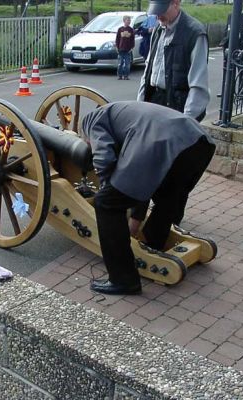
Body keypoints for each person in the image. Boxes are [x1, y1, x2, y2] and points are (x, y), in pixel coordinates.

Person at [81, 101, 216, 295]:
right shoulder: (122, 111)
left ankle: (123, 280)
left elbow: (104, 156)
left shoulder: (91, 120)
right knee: (168, 196)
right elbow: (142, 183)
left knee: (107, 204)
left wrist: (106, 188)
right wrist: (135, 219)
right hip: (198, 142)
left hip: (160, 142)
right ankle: (153, 245)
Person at [138, 0, 209, 121]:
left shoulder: (195, 33)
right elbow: (147, 72)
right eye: (155, 11)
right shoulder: (158, 29)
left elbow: (198, 86)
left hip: (178, 108)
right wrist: (139, 105)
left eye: (162, 10)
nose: (158, 15)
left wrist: (185, 121)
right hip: (154, 101)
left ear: (176, 3)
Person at [115, 15, 135, 80]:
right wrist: (117, 47)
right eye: (127, 20)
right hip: (121, 49)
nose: (129, 21)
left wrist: (132, 48)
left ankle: (126, 75)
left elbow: (132, 39)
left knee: (127, 64)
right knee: (120, 63)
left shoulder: (131, 30)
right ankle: (120, 75)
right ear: (124, 21)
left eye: (129, 20)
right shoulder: (120, 29)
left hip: (128, 49)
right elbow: (117, 39)